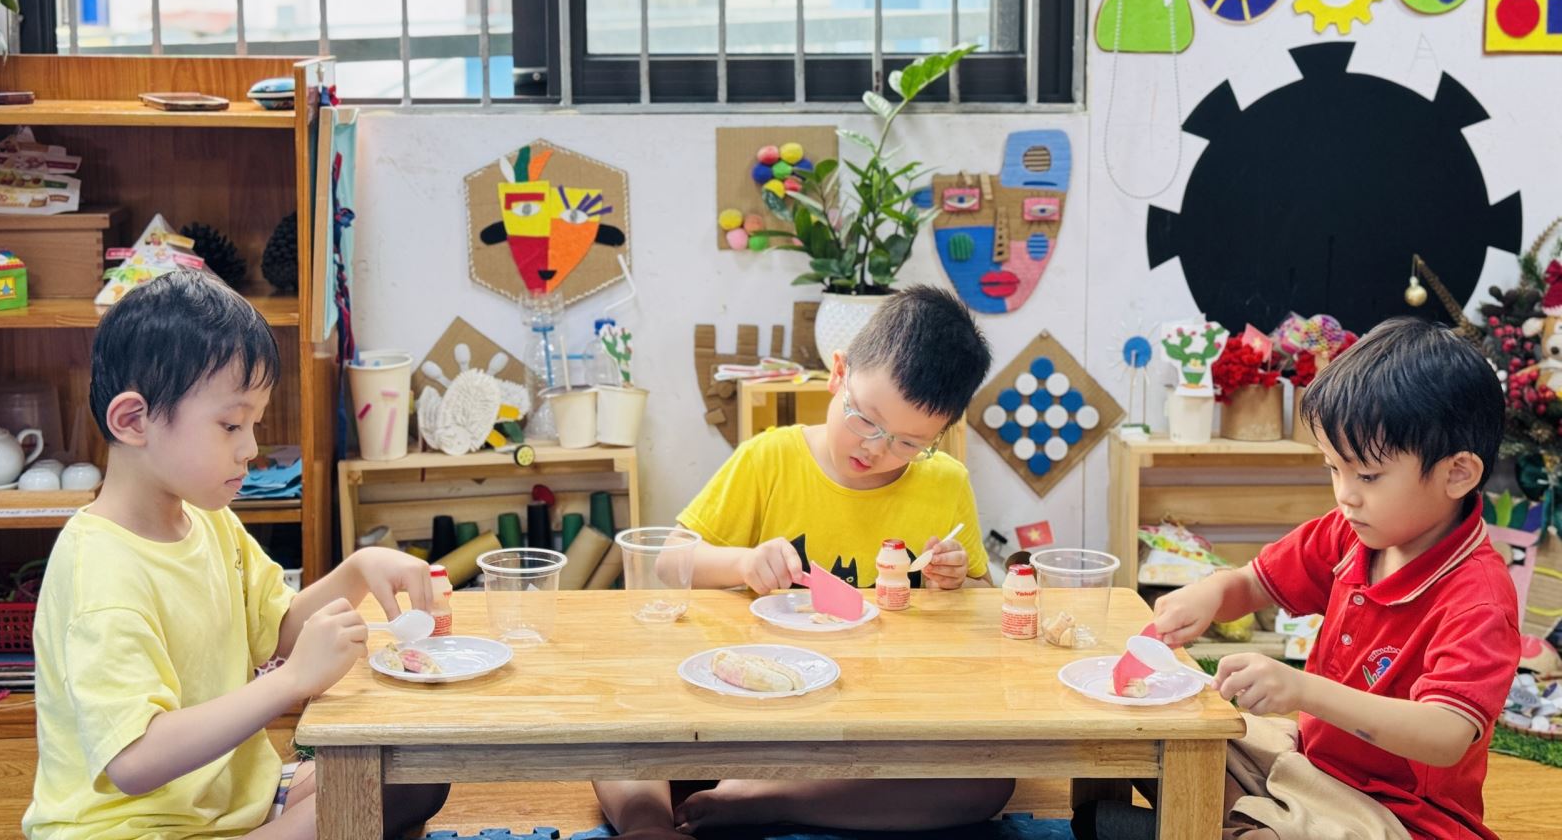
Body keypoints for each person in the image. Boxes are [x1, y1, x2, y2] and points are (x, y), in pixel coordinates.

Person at [24, 271, 449, 839]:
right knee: (367, 800)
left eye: (253, 424)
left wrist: (356, 571)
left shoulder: (206, 518)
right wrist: (291, 681)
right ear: (133, 421)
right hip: (132, 829)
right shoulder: (98, 573)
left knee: (416, 774)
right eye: (230, 425)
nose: (250, 448)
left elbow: (278, 631)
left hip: (229, 803)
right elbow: (133, 761)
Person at [1077, 317, 1520, 840]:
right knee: (1163, 736)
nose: (1345, 494)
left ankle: (1204, 825)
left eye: (1367, 475)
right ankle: (1214, 823)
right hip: (1307, 769)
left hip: (1401, 817)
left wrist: (1304, 690)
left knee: (1240, 813)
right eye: (1333, 468)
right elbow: (1254, 584)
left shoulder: (1478, 598)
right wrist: (1212, 592)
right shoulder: (1350, 533)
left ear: (1457, 474)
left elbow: (1445, 736)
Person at [594, 285, 1013, 837]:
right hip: (751, 712)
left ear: (940, 435)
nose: (876, 449)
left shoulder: (946, 483)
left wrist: (958, 581)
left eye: (909, 443)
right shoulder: (769, 457)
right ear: (838, 373)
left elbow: (985, 607)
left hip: (880, 721)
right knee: (615, 714)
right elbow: (670, 561)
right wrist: (744, 563)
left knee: (990, 781)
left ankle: (772, 797)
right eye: (866, 419)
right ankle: (646, 823)